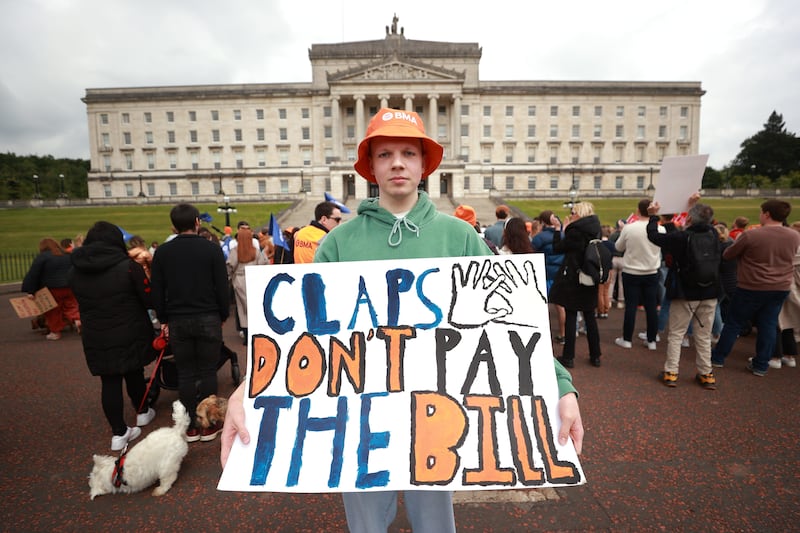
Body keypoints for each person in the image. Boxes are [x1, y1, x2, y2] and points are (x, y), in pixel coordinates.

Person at [220, 108, 584, 533]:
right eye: (385, 153)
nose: (397, 162)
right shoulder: (339, 242)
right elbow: (301, 335)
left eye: (408, 152)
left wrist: (560, 386)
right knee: (366, 520)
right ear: (370, 166)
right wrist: (248, 390)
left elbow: (510, 327)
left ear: (423, 164)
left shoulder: (460, 236)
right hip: (358, 409)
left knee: (435, 518)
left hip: (437, 404)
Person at [69, 221, 157, 450]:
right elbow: (148, 299)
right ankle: (142, 411)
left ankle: (119, 431)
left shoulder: (76, 270)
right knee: (134, 373)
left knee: (109, 381)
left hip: (97, 332)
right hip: (130, 328)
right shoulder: (128, 267)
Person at [151, 203, 230, 441]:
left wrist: (163, 318)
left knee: (185, 373)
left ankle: (190, 426)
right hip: (208, 315)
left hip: (178, 318)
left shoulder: (163, 252)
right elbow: (221, 286)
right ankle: (209, 424)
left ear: (173, 226)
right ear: (198, 222)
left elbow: (157, 289)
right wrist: (223, 314)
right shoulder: (211, 249)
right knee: (207, 370)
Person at [711, 200, 800, 376]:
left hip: (751, 286)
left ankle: (718, 358)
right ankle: (761, 364)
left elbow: (728, 254)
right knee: (768, 324)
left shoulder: (752, 235)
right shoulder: (794, 235)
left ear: (766, 214)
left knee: (734, 323)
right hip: (780, 286)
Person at [646, 195, 721, 389]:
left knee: (677, 334)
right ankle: (706, 373)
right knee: (703, 336)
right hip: (710, 292)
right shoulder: (714, 234)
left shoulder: (682, 237)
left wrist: (654, 217)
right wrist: (692, 207)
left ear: (689, 219)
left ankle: (671, 372)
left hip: (685, 292)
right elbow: (694, 225)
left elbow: (655, 237)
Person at [549, 202, 603, 368]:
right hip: (590, 276)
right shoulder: (596, 228)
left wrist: (560, 230)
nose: (571, 215)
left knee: (571, 316)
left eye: (573, 212)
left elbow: (558, 248)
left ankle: (569, 356)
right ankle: (595, 355)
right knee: (590, 317)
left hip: (574, 276)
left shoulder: (575, 231)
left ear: (579, 214)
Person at [614, 199, 665, 350]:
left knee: (631, 306)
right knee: (651, 306)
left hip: (632, 271)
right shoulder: (660, 229)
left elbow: (618, 246)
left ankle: (627, 339)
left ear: (638, 210)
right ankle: (651, 340)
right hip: (651, 271)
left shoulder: (630, 228)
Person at [22, 238, 81, 340]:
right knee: (71, 306)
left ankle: (55, 332)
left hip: (52, 288)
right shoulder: (67, 255)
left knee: (53, 311)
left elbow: (33, 275)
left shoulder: (42, 257)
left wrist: (30, 291)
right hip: (69, 286)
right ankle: (78, 321)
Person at [226, 225, 267, 343]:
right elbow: (263, 264)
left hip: (240, 280)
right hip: (254, 278)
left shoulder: (235, 251)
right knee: (254, 306)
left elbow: (230, 266)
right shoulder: (256, 251)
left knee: (242, 308)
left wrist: (230, 277)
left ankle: (246, 333)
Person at [533, 210, 567, 344]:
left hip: (545, 272)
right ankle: (563, 334)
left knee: (542, 305)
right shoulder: (563, 235)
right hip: (559, 272)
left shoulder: (540, 237)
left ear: (542, 222)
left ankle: (542, 334)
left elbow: (531, 250)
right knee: (560, 305)